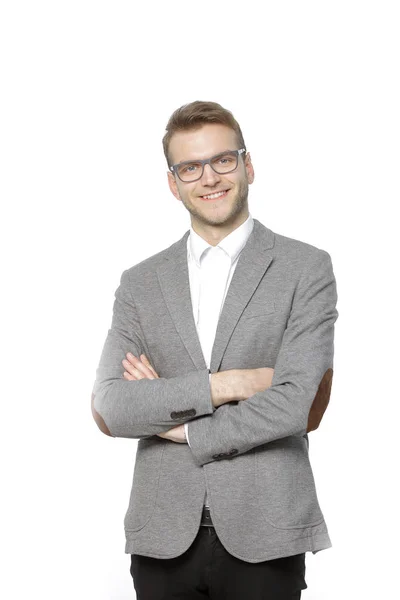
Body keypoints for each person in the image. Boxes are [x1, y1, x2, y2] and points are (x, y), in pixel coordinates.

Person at [91, 100, 339, 599]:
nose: (210, 178)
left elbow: (296, 405)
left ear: (247, 165)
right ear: (173, 182)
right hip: (161, 534)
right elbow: (112, 406)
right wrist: (231, 385)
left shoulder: (305, 268)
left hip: (267, 528)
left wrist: (174, 422)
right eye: (191, 167)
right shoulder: (140, 283)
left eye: (223, 160)